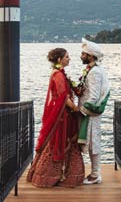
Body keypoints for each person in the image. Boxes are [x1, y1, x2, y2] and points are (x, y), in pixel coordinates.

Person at [27, 48, 85, 187]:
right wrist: (75, 108)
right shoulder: (58, 74)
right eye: (66, 56)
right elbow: (63, 96)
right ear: (59, 60)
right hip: (62, 114)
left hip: (62, 113)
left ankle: (58, 174)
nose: (69, 59)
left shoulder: (59, 73)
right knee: (59, 141)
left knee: (59, 141)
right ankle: (50, 176)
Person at [75, 38, 111, 185]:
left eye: (84, 54)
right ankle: (95, 173)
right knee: (91, 142)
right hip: (88, 112)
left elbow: (94, 96)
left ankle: (96, 174)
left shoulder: (94, 72)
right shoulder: (92, 70)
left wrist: (82, 110)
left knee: (93, 143)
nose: (81, 56)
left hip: (89, 113)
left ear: (91, 56)